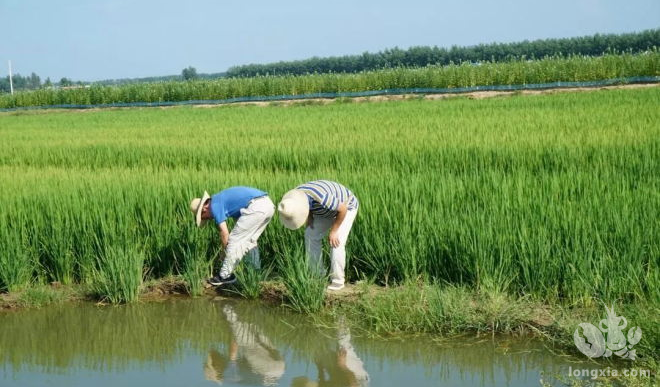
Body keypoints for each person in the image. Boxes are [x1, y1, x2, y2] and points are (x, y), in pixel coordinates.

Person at [278, 180, 359, 291]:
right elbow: (306, 205)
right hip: (325, 211)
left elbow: (342, 209)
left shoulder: (321, 196)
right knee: (310, 234)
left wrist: (334, 231)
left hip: (346, 207)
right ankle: (318, 276)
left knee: (336, 242)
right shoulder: (296, 196)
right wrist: (310, 217)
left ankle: (338, 282)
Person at [190, 186, 274, 286]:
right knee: (250, 241)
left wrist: (224, 253)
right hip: (268, 205)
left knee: (234, 240)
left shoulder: (214, 205)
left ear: (204, 208)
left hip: (256, 207)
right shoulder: (221, 201)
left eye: (204, 217)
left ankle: (224, 276)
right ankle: (255, 275)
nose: (208, 219)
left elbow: (225, 233)